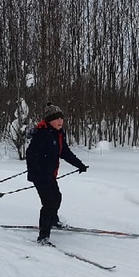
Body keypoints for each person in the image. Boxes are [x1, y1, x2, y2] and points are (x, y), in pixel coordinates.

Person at [25, 103, 88, 245]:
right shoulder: (42, 134)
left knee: (57, 197)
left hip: (50, 174)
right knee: (48, 203)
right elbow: (31, 154)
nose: (60, 121)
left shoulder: (58, 134)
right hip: (41, 175)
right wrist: (37, 171)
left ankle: (53, 221)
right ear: (49, 120)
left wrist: (79, 165)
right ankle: (43, 237)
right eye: (56, 119)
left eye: (61, 118)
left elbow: (64, 152)